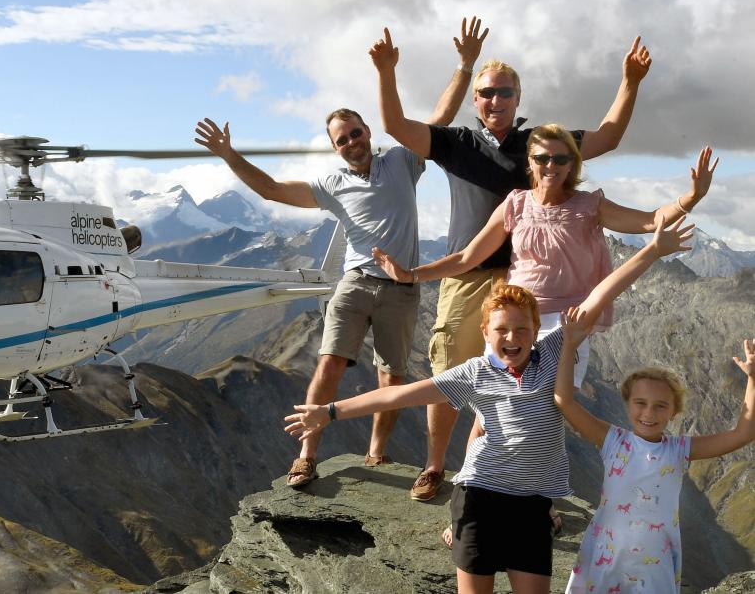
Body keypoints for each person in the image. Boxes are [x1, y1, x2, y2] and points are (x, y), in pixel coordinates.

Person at [285, 217, 694, 594]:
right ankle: (458, 528)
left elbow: (602, 293)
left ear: (537, 330)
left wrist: (652, 250)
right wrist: (331, 412)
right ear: (486, 332)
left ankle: (465, 531)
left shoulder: (555, 350)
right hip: (480, 497)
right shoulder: (474, 373)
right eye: (502, 329)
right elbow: (399, 394)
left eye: (522, 328)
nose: (512, 337)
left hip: (533, 507)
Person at [195, 17, 488, 488]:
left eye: (355, 133)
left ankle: (376, 455)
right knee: (329, 363)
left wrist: (465, 65)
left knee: (392, 380)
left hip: (401, 287)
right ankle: (306, 456)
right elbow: (271, 189)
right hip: (355, 284)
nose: (351, 142)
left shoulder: (402, 160)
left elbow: (439, 118)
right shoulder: (331, 185)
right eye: (341, 139)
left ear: (368, 131)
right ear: (334, 148)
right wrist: (230, 156)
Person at [368, 26, 653, 500]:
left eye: (504, 91)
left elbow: (607, 137)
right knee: (450, 368)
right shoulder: (456, 142)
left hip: (527, 282)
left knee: (530, 388)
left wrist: (630, 82)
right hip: (468, 271)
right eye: (486, 93)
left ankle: (513, 481)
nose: (495, 99)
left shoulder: (542, 144)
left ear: (518, 98)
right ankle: (435, 466)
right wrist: (386, 72)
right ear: (475, 100)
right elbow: (397, 127)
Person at [374, 125, 717, 388]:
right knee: (494, 402)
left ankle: (536, 480)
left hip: (568, 321)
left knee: (552, 405)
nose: (550, 165)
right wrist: (411, 274)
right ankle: (479, 478)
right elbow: (466, 258)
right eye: (541, 158)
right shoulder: (516, 203)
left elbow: (648, 221)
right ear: (531, 163)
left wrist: (691, 197)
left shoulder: (589, 205)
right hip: (514, 320)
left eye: (560, 158)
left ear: (572, 164)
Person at [557, 317, 754, 593]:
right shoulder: (612, 440)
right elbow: (564, 400)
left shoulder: (679, 450)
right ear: (627, 404)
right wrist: (569, 346)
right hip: (606, 552)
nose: (649, 413)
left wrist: (753, 380)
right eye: (641, 403)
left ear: (674, 412)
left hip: (653, 561)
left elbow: (742, 434)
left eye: (661, 406)